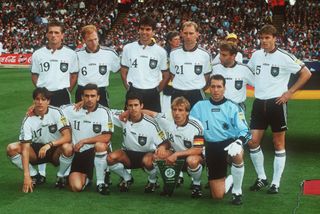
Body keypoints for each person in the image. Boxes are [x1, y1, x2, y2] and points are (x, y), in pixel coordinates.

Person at [247, 24, 312, 194]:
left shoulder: (284, 57)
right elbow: (251, 74)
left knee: (278, 143)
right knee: (253, 142)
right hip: (259, 103)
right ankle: (262, 177)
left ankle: (275, 182)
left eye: (267, 38)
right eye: (262, 37)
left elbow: (306, 73)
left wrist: (289, 93)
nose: (264, 41)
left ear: (275, 39)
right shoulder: (256, 55)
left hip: (277, 104)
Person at [191, 75, 251, 205]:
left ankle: (237, 192)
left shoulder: (233, 107)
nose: (216, 90)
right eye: (213, 86)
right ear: (209, 88)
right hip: (210, 147)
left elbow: (246, 131)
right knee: (217, 196)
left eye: (219, 87)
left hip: (229, 144)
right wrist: (201, 146)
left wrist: (238, 142)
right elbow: (193, 130)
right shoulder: (199, 106)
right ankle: (230, 180)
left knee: (237, 154)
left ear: (224, 88)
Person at [31, 20, 78, 179]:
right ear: (46, 34)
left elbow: (73, 75)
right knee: (43, 130)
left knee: (63, 130)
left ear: (62, 35)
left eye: (57, 32)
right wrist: (42, 93)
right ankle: (41, 173)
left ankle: (63, 172)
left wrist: (66, 89)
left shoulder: (70, 54)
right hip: (44, 96)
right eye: (51, 32)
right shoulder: (38, 54)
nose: (53, 35)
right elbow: (34, 75)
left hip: (62, 95)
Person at [6, 87, 73, 193]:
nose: (40, 102)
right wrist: (26, 176)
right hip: (37, 150)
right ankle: (35, 176)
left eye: (43, 99)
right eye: (37, 99)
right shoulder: (28, 119)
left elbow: (67, 137)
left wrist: (49, 145)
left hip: (55, 149)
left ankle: (61, 176)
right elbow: (25, 148)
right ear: (34, 101)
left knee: (68, 147)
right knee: (11, 148)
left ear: (48, 101)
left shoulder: (57, 112)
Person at [142, 97, 204, 198]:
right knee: (157, 156)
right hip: (175, 153)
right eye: (174, 110)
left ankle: (196, 184)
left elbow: (198, 149)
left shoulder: (196, 126)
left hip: (194, 155)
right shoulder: (167, 119)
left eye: (180, 110)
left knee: (192, 160)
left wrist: (176, 154)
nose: (177, 113)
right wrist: (162, 147)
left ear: (187, 112)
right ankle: (168, 182)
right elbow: (150, 113)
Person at [107, 91, 166, 193]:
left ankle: (153, 181)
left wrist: (161, 148)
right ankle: (127, 178)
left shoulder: (151, 123)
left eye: (136, 105)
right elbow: (104, 111)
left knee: (149, 160)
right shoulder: (123, 117)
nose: (133, 108)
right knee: (110, 158)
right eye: (130, 106)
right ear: (126, 107)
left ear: (141, 106)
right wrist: (83, 104)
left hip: (146, 154)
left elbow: (164, 142)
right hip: (128, 154)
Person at [62, 83, 113, 195]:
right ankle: (86, 179)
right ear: (82, 97)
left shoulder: (105, 112)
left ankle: (101, 182)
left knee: (100, 145)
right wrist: (34, 107)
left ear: (98, 97)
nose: (89, 99)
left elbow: (107, 136)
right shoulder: (72, 110)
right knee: (76, 187)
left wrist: (84, 141)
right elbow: (53, 110)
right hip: (78, 154)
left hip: (94, 151)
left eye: (93, 96)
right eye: (86, 96)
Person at [120, 16, 169, 112]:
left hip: (152, 92)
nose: (144, 32)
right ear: (138, 30)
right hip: (134, 91)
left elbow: (166, 75)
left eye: (148, 29)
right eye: (142, 29)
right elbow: (123, 71)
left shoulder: (160, 52)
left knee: (153, 124)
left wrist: (157, 90)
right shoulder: (128, 48)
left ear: (153, 31)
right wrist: (128, 88)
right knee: (131, 123)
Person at [75, 25, 120, 107]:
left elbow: (118, 69)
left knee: (103, 118)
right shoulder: (76, 54)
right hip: (82, 91)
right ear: (84, 40)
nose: (94, 43)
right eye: (90, 40)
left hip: (100, 90)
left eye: (95, 39)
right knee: (80, 117)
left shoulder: (110, 53)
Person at [170, 21, 212, 108]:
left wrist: (195, 87)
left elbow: (207, 77)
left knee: (197, 121)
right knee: (177, 120)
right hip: (178, 93)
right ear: (181, 33)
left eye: (191, 33)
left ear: (197, 34)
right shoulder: (174, 53)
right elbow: (173, 75)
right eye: (185, 33)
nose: (188, 36)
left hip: (196, 94)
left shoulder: (205, 54)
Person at [212, 42, 254, 110]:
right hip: (218, 107)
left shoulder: (244, 69)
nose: (220, 57)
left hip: (237, 108)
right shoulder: (214, 68)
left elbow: (259, 84)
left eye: (224, 55)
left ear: (233, 56)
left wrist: (277, 92)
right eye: (220, 54)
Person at [161, 31, 181, 116]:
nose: (178, 41)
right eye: (175, 39)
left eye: (179, 39)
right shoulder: (164, 53)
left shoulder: (181, 51)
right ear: (170, 41)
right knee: (166, 107)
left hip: (180, 83)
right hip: (167, 83)